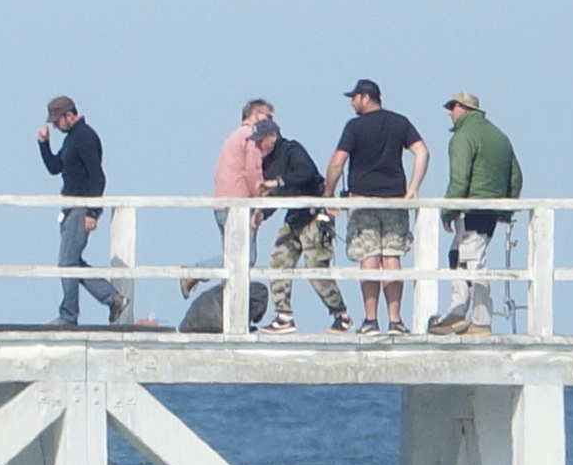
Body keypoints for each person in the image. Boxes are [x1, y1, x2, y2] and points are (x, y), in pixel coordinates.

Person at [322, 79, 429, 335]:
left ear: (366, 97)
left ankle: (370, 320)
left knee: (368, 258)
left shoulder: (355, 127)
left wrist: (328, 194)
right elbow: (422, 152)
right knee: (392, 257)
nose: (351, 102)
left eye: (354, 97)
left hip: (362, 201)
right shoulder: (399, 122)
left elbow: (338, 162)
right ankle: (395, 321)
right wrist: (413, 187)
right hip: (394, 199)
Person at [429, 93, 523, 335]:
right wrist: (506, 208)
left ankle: (478, 319)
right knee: (458, 255)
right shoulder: (500, 137)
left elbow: (459, 179)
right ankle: (458, 313)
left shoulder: (463, 137)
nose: (449, 112)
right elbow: (516, 176)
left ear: (464, 108)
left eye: (452, 107)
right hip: (491, 211)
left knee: (471, 261)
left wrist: (448, 210)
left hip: (472, 208)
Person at [37, 96, 127, 326]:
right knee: (72, 262)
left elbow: (98, 177)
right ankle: (112, 298)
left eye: (57, 121)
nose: (55, 126)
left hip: (81, 207)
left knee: (67, 264)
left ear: (69, 115)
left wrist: (92, 212)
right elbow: (55, 167)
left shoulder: (84, 137)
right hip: (71, 207)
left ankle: (69, 316)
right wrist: (43, 144)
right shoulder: (72, 140)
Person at [257, 121, 351, 334]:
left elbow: (307, 173)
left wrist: (277, 182)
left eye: (261, 140)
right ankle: (284, 317)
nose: (259, 145)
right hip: (295, 216)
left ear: (273, 136)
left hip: (316, 213)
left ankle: (341, 315)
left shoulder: (292, 149)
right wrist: (262, 214)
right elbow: (278, 196)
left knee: (316, 268)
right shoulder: (267, 162)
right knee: (278, 262)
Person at [181, 100, 275, 299]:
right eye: (268, 116)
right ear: (257, 114)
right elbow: (253, 172)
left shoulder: (233, 137)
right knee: (244, 258)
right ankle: (194, 272)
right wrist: (258, 203)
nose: (272, 123)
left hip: (222, 203)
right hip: (238, 204)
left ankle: (228, 308)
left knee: (234, 260)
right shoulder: (250, 136)